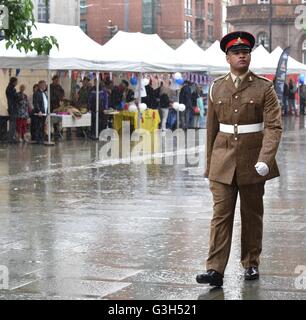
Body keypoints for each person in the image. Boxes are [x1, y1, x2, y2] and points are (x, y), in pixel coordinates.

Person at [196, 31, 282, 287]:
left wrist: (266, 158)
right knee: (220, 215)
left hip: (253, 160)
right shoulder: (216, 87)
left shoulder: (264, 87)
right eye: (236, 52)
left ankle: (251, 263)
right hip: (223, 161)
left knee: (251, 215)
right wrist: (210, 167)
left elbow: (274, 126)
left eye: (246, 51)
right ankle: (215, 269)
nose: (242, 55)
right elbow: (212, 129)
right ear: (227, 57)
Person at [50, 75, 65, 140]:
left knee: (58, 120)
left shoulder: (59, 87)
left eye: (58, 80)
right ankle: (55, 132)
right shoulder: (50, 87)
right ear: (53, 80)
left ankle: (58, 132)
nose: (57, 81)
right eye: (56, 80)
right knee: (53, 120)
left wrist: (62, 98)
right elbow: (50, 96)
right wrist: (57, 98)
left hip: (58, 105)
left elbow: (62, 93)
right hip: (52, 106)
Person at [5, 77, 19, 143]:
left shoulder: (10, 88)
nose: (17, 83)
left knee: (13, 123)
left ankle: (11, 137)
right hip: (12, 108)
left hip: (12, 107)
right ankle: (11, 139)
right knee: (12, 124)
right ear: (13, 82)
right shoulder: (11, 89)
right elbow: (15, 98)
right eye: (16, 82)